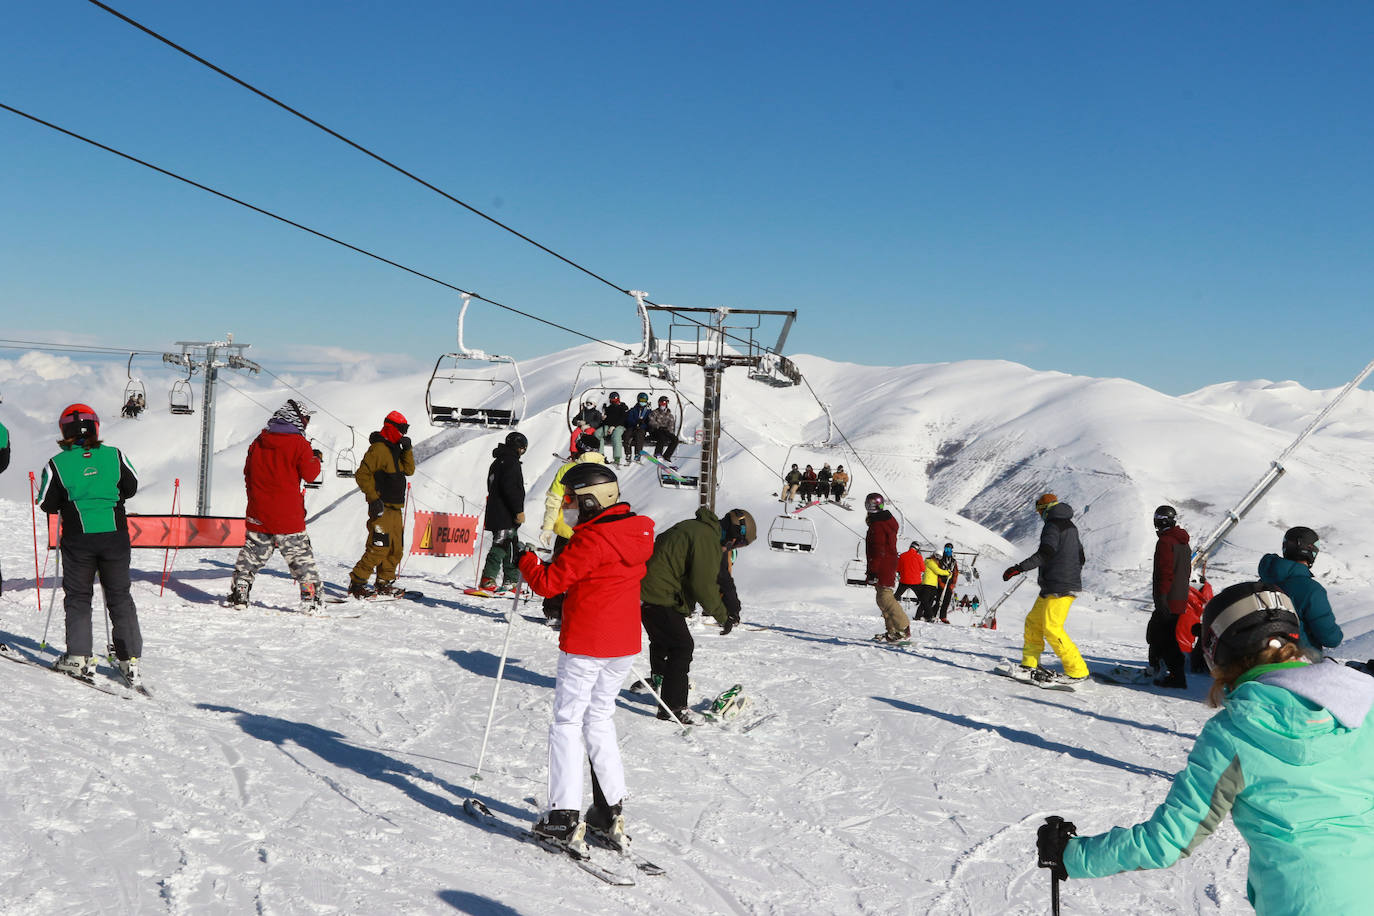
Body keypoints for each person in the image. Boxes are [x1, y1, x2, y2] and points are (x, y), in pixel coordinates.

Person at [1036, 581, 1374, 915]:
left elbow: (1167, 840)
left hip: (1302, 902)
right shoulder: (1361, 706)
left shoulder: (1235, 733)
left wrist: (1072, 855)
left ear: (1219, 655)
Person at [517, 463, 656, 856]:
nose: (569, 508)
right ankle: (608, 811)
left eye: (574, 500)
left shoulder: (592, 540)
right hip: (623, 643)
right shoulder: (635, 531)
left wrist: (525, 559)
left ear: (594, 500)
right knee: (599, 718)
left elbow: (549, 583)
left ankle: (563, 817)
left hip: (587, 643)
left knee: (567, 721)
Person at [37, 404, 143, 685]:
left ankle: (79, 657)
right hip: (115, 535)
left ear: (64, 430)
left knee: (79, 596)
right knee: (120, 595)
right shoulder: (115, 455)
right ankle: (129, 658)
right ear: (96, 427)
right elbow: (131, 486)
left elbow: (45, 503)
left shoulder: (57, 463)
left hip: (78, 538)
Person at [640, 507, 758, 722]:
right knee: (681, 646)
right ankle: (674, 707)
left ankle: (661, 684)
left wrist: (731, 609)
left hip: (649, 593)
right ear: (734, 533)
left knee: (664, 642)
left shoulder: (699, 529)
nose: (734, 547)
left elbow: (716, 577)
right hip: (660, 595)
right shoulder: (707, 539)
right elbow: (703, 585)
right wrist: (723, 617)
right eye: (739, 543)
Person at [227, 400, 324, 612]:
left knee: (252, 554)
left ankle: (240, 592)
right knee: (300, 557)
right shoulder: (299, 444)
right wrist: (315, 458)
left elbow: (248, 473)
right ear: (298, 419)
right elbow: (311, 474)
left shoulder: (259, 441)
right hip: (287, 515)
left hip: (258, 511)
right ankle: (311, 599)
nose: (307, 423)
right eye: (306, 419)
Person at [1002, 493, 1088, 686]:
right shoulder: (1070, 526)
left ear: (1044, 509)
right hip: (1055, 585)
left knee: (1052, 627)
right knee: (1033, 622)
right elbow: (1081, 557)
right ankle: (1029, 664)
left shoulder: (1052, 525)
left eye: (1039, 511)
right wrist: (1068, 570)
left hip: (1060, 587)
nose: (1039, 514)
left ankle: (1077, 670)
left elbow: (1045, 553)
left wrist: (1018, 568)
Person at [537, 432, 608, 622]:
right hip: (595, 531)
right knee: (589, 574)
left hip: (568, 528)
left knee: (560, 570)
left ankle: (554, 612)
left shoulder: (567, 470)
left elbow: (553, 501)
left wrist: (547, 526)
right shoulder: (605, 472)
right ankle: (582, 614)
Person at [348, 411, 416, 598]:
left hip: (395, 508)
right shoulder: (378, 449)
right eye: (401, 429)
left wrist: (407, 450)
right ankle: (357, 583)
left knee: (396, 549)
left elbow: (409, 470)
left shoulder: (396, 449)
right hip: (382, 506)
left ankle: (384, 583)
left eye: (405, 430)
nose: (403, 433)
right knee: (378, 547)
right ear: (391, 427)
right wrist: (373, 498)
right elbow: (362, 474)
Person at [1257, 525, 1342, 653]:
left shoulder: (1260, 585)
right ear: (1313, 553)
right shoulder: (1311, 590)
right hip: (1299, 662)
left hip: (1261, 661)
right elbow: (1331, 639)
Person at [476, 430, 527, 593]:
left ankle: (510, 580)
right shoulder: (510, 462)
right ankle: (488, 579)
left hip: (497, 510)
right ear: (519, 447)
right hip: (506, 512)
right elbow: (511, 489)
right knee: (501, 544)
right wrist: (518, 510)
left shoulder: (498, 462)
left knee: (510, 545)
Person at [1148, 505, 1191, 687]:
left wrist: (1162, 597)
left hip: (1168, 597)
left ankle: (1175, 676)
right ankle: (1161, 669)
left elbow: (1164, 573)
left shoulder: (1166, 542)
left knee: (1163, 637)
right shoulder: (1183, 542)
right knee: (1162, 634)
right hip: (1179, 596)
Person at [864, 492, 909, 642]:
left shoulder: (877, 525)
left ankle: (902, 627)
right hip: (887, 563)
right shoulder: (885, 521)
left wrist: (873, 572)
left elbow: (878, 550)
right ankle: (893, 630)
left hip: (882, 565)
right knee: (882, 597)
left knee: (885, 597)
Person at [929, 543, 959, 623]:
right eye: (946, 549)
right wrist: (940, 583)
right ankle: (933, 615)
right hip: (941, 582)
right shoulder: (941, 559)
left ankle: (943, 616)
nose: (947, 551)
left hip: (950, 583)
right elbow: (938, 571)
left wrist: (953, 584)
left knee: (947, 600)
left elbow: (955, 573)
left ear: (951, 550)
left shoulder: (953, 561)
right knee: (939, 600)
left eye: (949, 550)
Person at [598, 392, 629, 466]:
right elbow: (607, 420)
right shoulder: (609, 408)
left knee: (616, 436)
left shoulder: (623, 407)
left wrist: (614, 426)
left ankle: (617, 458)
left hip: (619, 426)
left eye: (615, 400)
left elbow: (623, 419)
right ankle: (601, 455)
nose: (614, 402)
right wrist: (603, 418)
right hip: (608, 426)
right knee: (597, 434)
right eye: (612, 400)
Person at [647, 395, 678, 462]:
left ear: (667, 404)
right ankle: (658, 454)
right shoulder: (654, 413)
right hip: (655, 431)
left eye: (664, 403)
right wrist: (659, 426)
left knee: (675, 439)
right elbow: (651, 422)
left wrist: (668, 431)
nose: (662, 405)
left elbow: (671, 426)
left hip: (666, 432)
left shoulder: (670, 415)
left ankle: (667, 456)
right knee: (661, 436)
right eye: (661, 403)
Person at [622, 393, 652, 463]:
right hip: (632, 427)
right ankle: (628, 453)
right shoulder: (633, 410)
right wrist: (635, 423)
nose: (643, 402)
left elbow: (649, 422)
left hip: (641, 428)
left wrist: (642, 425)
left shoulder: (648, 411)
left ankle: (637, 454)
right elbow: (629, 419)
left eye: (644, 400)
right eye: (641, 400)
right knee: (626, 436)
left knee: (639, 437)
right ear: (638, 400)